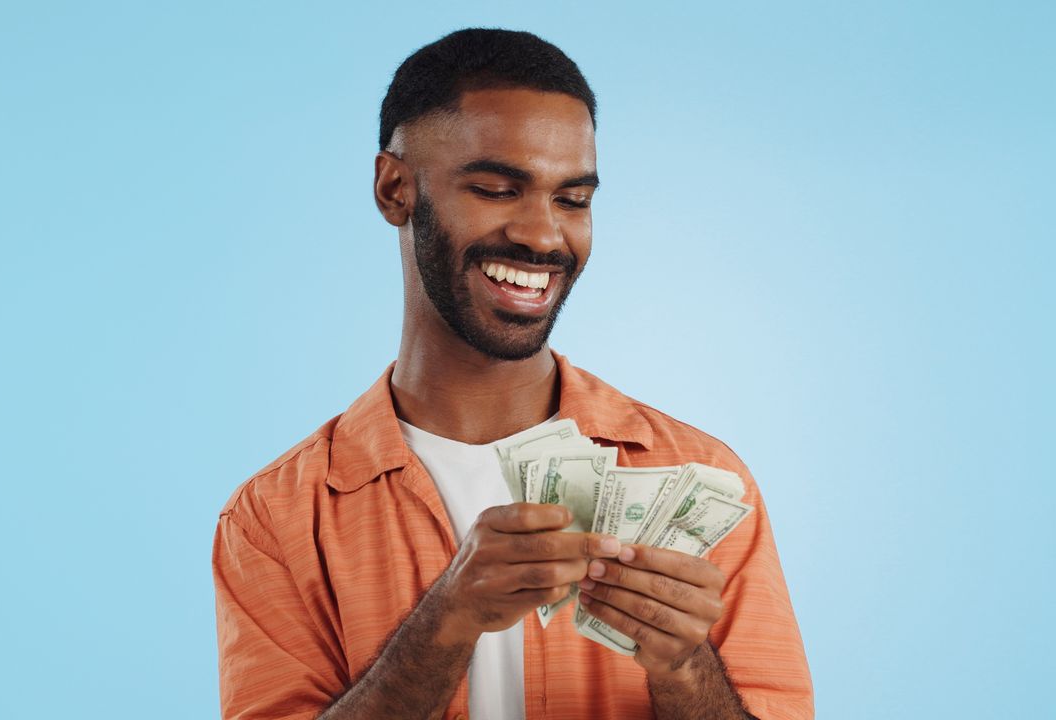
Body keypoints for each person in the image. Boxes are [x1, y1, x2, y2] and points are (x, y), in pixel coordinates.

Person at [213, 28, 814, 720]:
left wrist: (684, 668)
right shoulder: (276, 519)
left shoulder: (701, 473)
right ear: (394, 188)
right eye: (499, 189)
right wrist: (446, 621)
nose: (543, 235)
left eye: (574, 200)